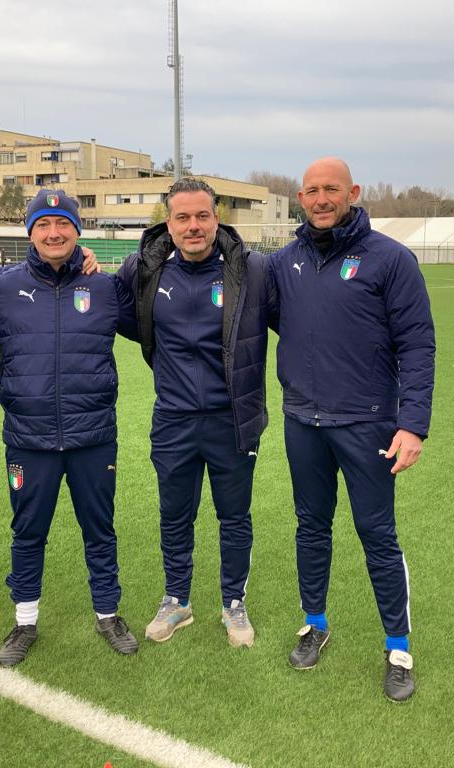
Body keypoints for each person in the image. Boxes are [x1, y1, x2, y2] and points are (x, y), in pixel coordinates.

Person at [269, 158, 435, 703]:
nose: (321, 199)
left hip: (368, 423)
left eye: (331, 189)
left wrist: (412, 425)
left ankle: (398, 647)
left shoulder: (391, 259)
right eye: (312, 191)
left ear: (353, 192)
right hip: (303, 421)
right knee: (310, 526)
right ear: (301, 198)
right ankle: (314, 624)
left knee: (377, 534)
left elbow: (417, 344)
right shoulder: (284, 262)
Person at [0, 190, 140, 664]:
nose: (54, 233)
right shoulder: (1, 287)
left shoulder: (104, 287)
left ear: (77, 231)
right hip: (28, 439)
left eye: (63, 223)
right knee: (28, 532)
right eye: (44, 224)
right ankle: (25, 622)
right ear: (30, 232)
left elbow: (154, 325)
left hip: (93, 436)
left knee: (99, 529)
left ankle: (108, 615)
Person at [116, 178, 271, 649]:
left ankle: (234, 603)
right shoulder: (145, 273)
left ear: (216, 219)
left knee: (234, 517)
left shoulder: (250, 271)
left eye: (202, 216)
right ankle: (176, 600)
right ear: (169, 224)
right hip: (174, 421)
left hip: (232, 421)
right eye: (182, 217)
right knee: (174, 515)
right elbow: (109, 305)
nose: (193, 226)